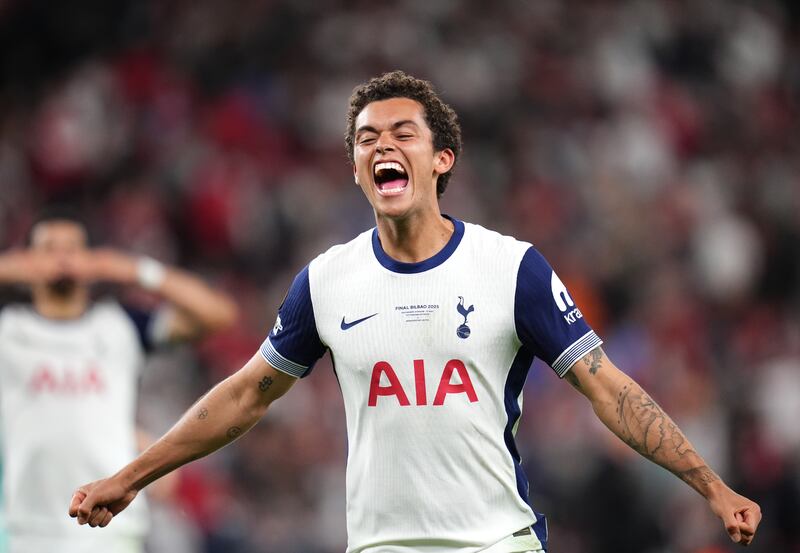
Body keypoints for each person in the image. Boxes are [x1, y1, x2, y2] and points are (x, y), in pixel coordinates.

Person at [69, 71, 761, 552]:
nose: (383, 146)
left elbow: (607, 386)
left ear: (441, 159)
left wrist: (711, 484)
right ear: (354, 168)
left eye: (404, 132)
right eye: (367, 138)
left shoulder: (511, 268)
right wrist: (129, 478)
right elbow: (247, 393)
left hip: (496, 542)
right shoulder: (327, 280)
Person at [0, 208, 238, 553]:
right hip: (27, 531)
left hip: (110, 525)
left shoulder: (119, 326)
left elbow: (216, 315)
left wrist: (130, 269)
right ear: (28, 260)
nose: (62, 257)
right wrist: (8, 270)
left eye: (72, 248)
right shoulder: (9, 329)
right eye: (49, 248)